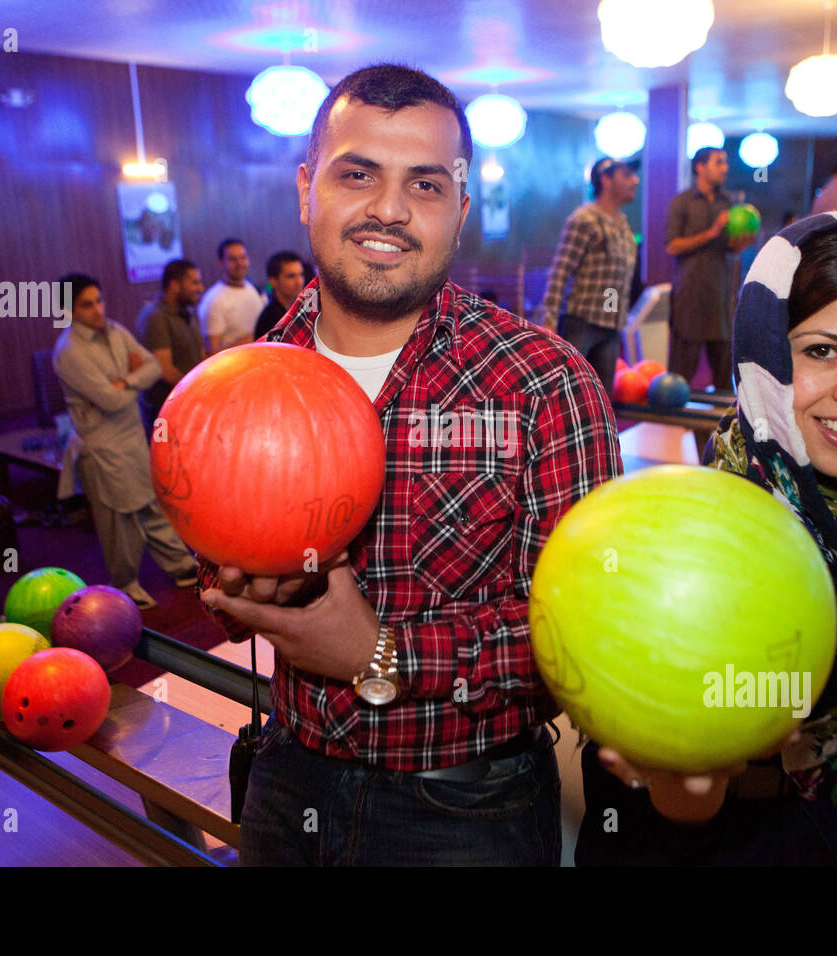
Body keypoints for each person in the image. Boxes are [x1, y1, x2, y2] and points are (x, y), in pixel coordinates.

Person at [195, 63, 621, 867]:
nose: (388, 210)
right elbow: (209, 576)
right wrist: (246, 594)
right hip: (289, 775)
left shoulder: (544, 383)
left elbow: (587, 638)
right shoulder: (241, 380)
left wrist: (379, 654)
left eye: (425, 186)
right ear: (305, 188)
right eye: (357, 174)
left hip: (470, 802)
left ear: (459, 211)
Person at [575, 212, 837, 865]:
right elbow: (649, 804)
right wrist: (686, 783)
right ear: (766, 351)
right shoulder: (699, 542)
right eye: (822, 350)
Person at [52, 275, 200, 609]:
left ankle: (181, 566)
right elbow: (110, 400)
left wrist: (125, 382)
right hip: (101, 447)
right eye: (87, 305)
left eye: (99, 301)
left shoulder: (115, 331)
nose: (97, 310)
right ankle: (125, 584)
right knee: (119, 521)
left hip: (132, 436)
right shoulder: (69, 352)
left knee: (151, 502)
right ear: (68, 310)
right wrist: (127, 385)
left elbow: (151, 368)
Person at [535, 157, 640, 394]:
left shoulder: (622, 222)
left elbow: (618, 278)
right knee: (568, 395)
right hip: (582, 324)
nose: (635, 180)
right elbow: (560, 271)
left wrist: (618, 317)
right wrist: (549, 319)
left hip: (610, 326)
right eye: (627, 175)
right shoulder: (584, 219)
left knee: (602, 401)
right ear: (606, 179)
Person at [665, 147, 756, 391]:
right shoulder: (682, 202)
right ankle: (679, 429)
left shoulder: (728, 202)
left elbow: (729, 249)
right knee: (680, 379)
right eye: (719, 162)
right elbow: (672, 246)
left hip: (721, 298)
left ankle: (718, 430)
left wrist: (741, 241)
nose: (725, 168)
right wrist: (712, 232)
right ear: (700, 167)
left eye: (726, 162)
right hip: (690, 298)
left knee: (725, 380)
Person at [136, 259, 205, 434]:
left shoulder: (189, 310)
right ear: (174, 285)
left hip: (189, 403)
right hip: (165, 410)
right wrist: (198, 392)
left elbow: (199, 354)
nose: (201, 288)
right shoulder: (156, 317)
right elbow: (165, 370)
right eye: (194, 282)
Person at [200, 238, 266, 353]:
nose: (240, 263)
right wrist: (251, 338)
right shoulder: (214, 300)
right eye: (232, 259)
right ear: (221, 262)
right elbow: (211, 353)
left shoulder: (250, 288)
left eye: (243, 257)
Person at [253, 250, 307, 340]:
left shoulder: (307, 310)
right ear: (273, 281)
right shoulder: (268, 319)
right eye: (291, 276)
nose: (299, 282)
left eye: (301, 274)